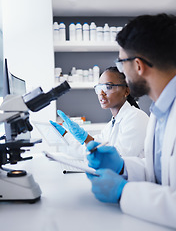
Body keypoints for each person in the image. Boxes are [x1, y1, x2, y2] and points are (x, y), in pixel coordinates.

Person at [86, 13, 176, 229]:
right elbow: (162, 172)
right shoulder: (161, 111)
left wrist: (123, 192)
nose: (121, 71)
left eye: (121, 62)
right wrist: (123, 167)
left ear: (138, 66)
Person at [50, 66, 149, 158]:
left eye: (108, 87)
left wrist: (85, 139)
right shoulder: (111, 125)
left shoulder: (136, 118)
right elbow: (94, 148)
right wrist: (66, 136)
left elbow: (118, 158)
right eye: (99, 88)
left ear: (126, 91)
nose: (101, 93)